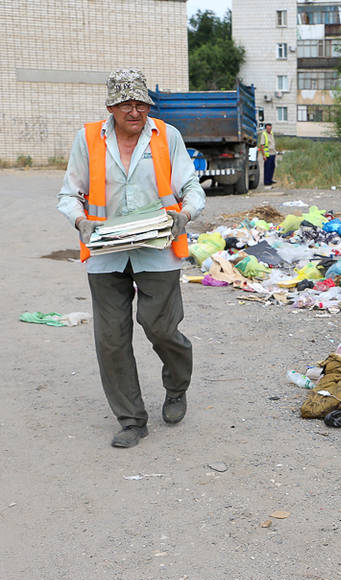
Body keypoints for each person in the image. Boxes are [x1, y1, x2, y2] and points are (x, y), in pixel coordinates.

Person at [57, 69, 205, 448]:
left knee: (160, 328)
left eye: (140, 102)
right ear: (111, 106)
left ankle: (176, 386)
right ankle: (131, 419)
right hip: (106, 255)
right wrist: (79, 221)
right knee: (111, 339)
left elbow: (190, 187)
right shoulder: (88, 139)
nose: (134, 110)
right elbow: (69, 194)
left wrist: (184, 215)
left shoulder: (166, 136)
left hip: (157, 250)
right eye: (125, 103)